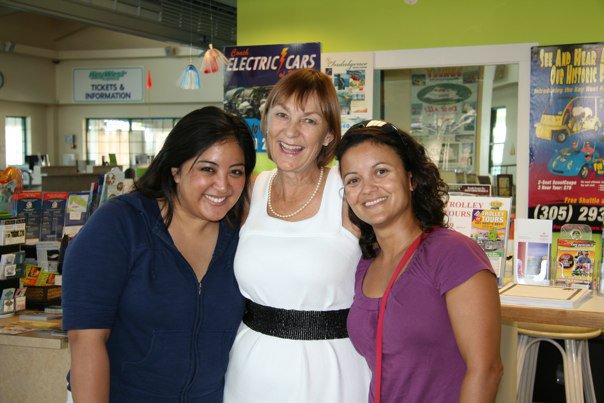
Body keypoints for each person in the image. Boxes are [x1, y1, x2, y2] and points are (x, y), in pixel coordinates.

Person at [62, 106, 256, 402]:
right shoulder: (120, 224)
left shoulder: (240, 236)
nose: (223, 185)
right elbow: (86, 340)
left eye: (236, 172)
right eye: (207, 169)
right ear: (175, 170)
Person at [224, 68, 370, 402]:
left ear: (329, 135)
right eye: (281, 115)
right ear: (266, 124)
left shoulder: (348, 191)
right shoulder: (248, 190)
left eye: (309, 120)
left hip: (331, 372)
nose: (291, 132)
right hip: (251, 370)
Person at [336, 120, 503, 403]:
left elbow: (486, 370)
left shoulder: (453, 254)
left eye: (381, 171)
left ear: (411, 179)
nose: (368, 188)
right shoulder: (366, 264)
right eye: (353, 180)